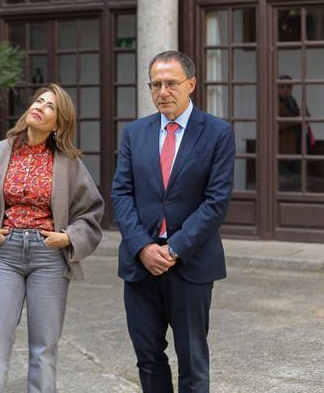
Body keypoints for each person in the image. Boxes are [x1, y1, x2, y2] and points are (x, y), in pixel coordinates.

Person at [0, 83, 104, 393]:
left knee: (44, 346)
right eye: (39, 101)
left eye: (50, 106)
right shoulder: (0, 153)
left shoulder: (68, 162)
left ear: (59, 123)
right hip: (5, 254)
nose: (39, 107)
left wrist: (67, 238)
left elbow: (91, 212)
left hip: (48, 258)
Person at [111, 50, 235, 393]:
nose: (162, 91)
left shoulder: (217, 133)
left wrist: (175, 248)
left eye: (170, 83)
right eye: (155, 84)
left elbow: (217, 200)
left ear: (191, 84)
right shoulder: (135, 133)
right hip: (140, 265)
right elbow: (121, 194)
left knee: (193, 360)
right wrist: (143, 247)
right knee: (148, 359)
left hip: (190, 263)